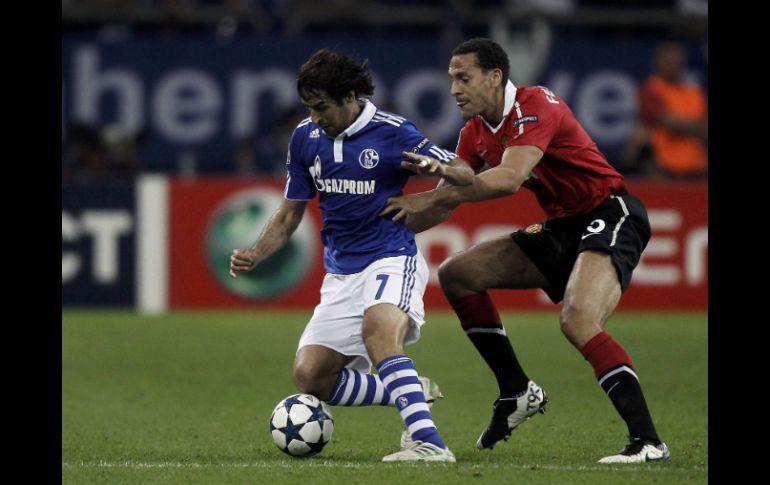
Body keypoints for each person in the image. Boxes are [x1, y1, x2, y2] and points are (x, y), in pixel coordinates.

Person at [380, 38, 670, 464]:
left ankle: (648, 442)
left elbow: (510, 178)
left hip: (610, 212)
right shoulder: (474, 133)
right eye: (451, 79)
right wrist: (380, 225)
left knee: (578, 320)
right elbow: (443, 200)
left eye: (464, 78)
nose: (454, 89)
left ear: (494, 78)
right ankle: (516, 391)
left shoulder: (536, 104)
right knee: (458, 274)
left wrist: (437, 183)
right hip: (562, 226)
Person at [229, 48, 474, 462]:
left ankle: (429, 442)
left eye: (321, 107)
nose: (315, 116)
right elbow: (290, 214)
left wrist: (438, 171)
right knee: (312, 376)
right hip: (341, 272)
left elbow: (466, 174)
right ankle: (412, 389)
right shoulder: (305, 138)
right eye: (309, 108)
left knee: (379, 331)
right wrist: (257, 252)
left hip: (390, 257)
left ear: (348, 98)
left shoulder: (394, 131)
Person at [622, 41, 708, 178]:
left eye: (677, 62)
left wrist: (682, 125)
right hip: (665, 169)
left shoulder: (694, 92)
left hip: (698, 168)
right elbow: (666, 121)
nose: (673, 65)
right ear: (658, 63)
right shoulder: (651, 89)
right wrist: (695, 126)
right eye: (669, 61)